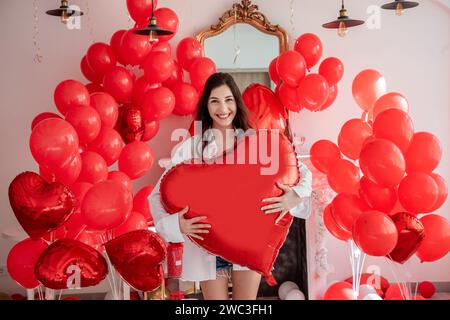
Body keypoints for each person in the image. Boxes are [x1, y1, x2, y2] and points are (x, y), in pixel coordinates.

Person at [148, 72, 312, 300]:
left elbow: (300, 171)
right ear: (206, 105)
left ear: (237, 102)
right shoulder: (191, 147)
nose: (222, 108)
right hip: (207, 245)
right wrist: (177, 225)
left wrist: (295, 195)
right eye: (215, 100)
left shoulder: (256, 141)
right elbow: (157, 195)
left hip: (248, 240)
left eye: (228, 100)